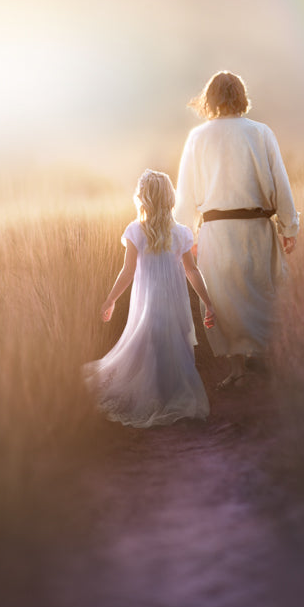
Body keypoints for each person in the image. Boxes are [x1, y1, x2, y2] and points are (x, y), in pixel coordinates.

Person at [173, 71, 299, 388]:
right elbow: (281, 184)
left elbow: (186, 195)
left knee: (222, 300)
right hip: (257, 228)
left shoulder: (197, 138)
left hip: (216, 232)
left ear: (209, 99)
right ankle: (264, 360)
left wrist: (184, 238)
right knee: (261, 294)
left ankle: (238, 370)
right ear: (241, 96)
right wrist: (289, 226)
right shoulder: (261, 133)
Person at [84, 169, 215, 428]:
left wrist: (110, 299)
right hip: (174, 303)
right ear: (170, 198)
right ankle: (168, 394)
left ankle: (154, 396)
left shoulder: (136, 231)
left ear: (142, 198)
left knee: (150, 346)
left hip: (148, 303)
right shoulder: (181, 233)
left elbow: (128, 272)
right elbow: (192, 270)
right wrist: (207, 303)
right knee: (171, 345)